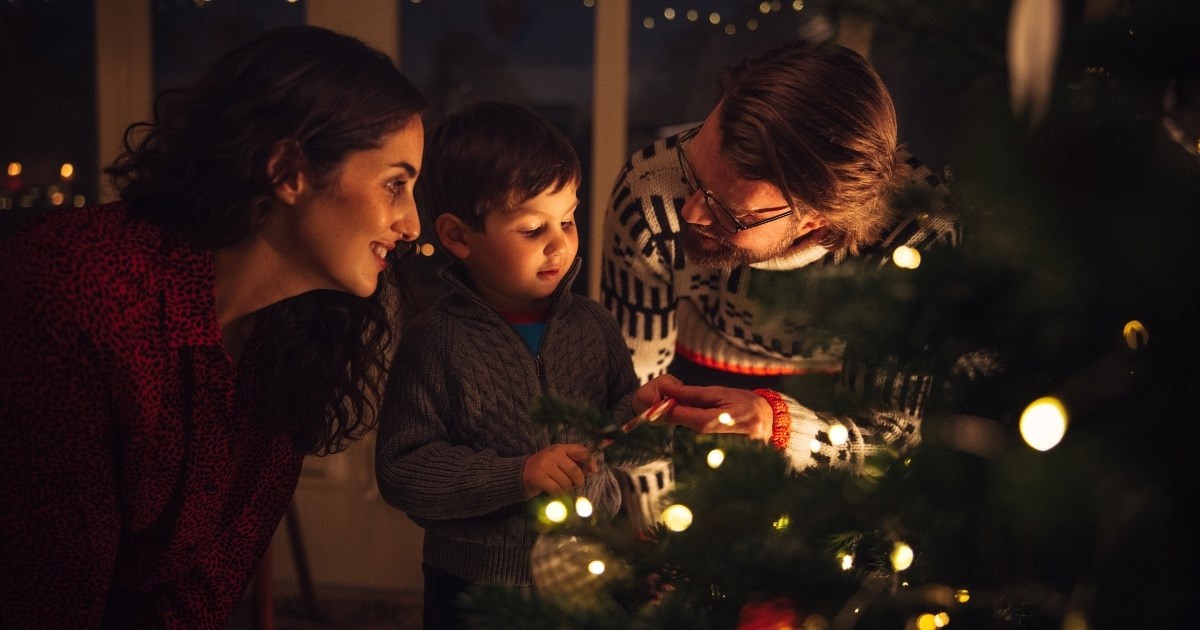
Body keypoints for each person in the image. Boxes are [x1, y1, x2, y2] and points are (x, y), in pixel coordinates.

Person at [0, 25, 427, 629]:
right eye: (395, 184)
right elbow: (43, 596)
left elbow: (207, 583)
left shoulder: (300, 333)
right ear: (289, 170)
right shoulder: (78, 292)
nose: (411, 225)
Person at [374, 100, 670, 630]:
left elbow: (616, 443)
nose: (560, 243)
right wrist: (517, 474)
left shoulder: (592, 326)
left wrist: (644, 412)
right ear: (459, 236)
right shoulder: (435, 342)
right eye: (533, 230)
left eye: (568, 219)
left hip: (589, 569)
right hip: (476, 588)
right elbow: (404, 471)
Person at [601, 39, 959, 472]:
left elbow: (891, 441)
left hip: (835, 425)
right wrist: (646, 532)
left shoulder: (916, 241)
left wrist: (779, 424)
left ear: (815, 220)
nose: (689, 212)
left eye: (727, 210)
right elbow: (631, 407)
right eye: (692, 170)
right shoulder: (649, 193)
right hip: (686, 381)